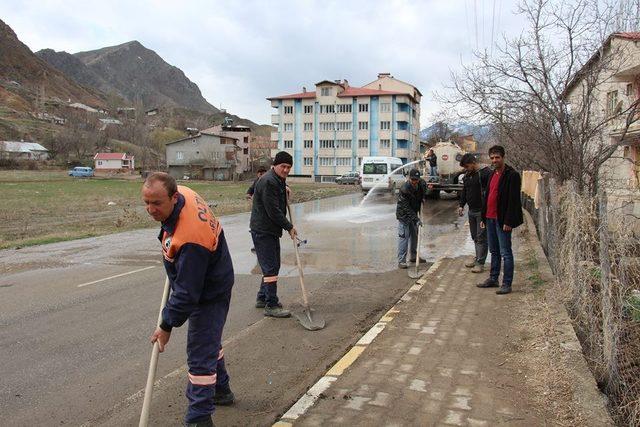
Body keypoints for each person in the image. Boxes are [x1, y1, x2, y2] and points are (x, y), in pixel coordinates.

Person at [142, 172, 235, 427]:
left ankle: (199, 418)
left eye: (157, 203)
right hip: (206, 273)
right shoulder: (182, 191)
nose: (150, 209)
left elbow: (185, 295)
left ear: (173, 197)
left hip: (210, 289)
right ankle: (221, 391)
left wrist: (165, 325)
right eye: (146, 203)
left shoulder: (191, 238)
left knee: (199, 353)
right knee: (209, 341)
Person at [250, 151, 297, 317]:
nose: (285, 170)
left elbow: (278, 197)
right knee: (271, 267)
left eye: (288, 167)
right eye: (283, 166)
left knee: (272, 265)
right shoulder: (268, 181)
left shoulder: (277, 180)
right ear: (275, 165)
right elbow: (273, 211)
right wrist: (289, 226)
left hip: (268, 230)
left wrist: (285, 190)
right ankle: (271, 304)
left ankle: (262, 297)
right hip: (263, 230)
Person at [478, 145, 523, 295]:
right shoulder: (492, 174)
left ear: (503, 157)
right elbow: (487, 196)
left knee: (506, 253)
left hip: (502, 220)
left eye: (497, 157)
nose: (494, 160)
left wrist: (509, 221)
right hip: (490, 218)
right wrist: (483, 217)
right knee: (494, 251)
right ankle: (493, 278)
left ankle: (506, 284)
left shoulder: (512, 175)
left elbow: (514, 200)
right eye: (492, 158)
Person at [458, 153, 493, 273]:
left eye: (467, 166)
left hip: (482, 211)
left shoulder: (485, 173)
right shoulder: (467, 175)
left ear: (473, 163)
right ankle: (478, 257)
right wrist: (461, 205)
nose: (466, 169)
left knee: (481, 237)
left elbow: (491, 192)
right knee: (475, 236)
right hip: (471, 211)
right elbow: (464, 191)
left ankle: (480, 262)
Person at [396, 168, 427, 269]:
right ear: (409, 178)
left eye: (416, 180)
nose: (414, 182)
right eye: (413, 180)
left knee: (415, 236)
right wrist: (416, 219)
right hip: (404, 215)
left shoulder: (421, 183)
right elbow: (406, 208)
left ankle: (414, 256)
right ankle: (401, 260)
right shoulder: (404, 189)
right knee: (404, 237)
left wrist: (423, 197)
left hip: (414, 213)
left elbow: (424, 189)